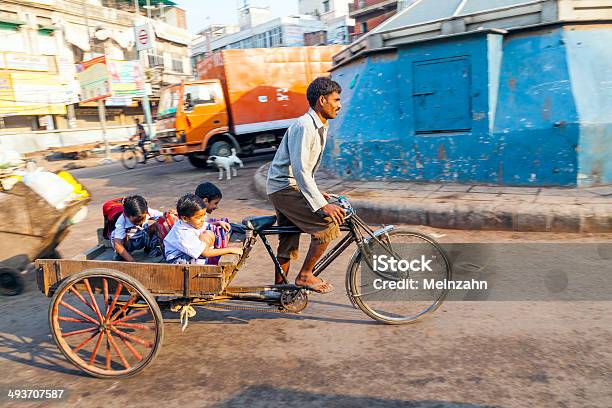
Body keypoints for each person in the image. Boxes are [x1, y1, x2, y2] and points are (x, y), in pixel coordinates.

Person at [266, 77, 346, 293]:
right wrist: (320, 205)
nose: (339, 105)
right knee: (328, 226)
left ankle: (279, 291)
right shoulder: (305, 126)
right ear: (322, 100)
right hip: (284, 187)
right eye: (336, 99)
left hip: (286, 187)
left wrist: (317, 193)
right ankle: (305, 275)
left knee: (289, 238)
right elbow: (300, 170)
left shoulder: (319, 125)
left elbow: (303, 171)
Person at [164, 194, 243, 264]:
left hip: (188, 254)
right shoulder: (182, 233)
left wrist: (217, 223)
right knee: (206, 236)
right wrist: (230, 250)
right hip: (179, 261)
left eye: (203, 215)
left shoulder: (188, 222)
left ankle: (206, 260)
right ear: (185, 218)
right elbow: (205, 253)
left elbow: (203, 225)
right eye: (198, 217)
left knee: (208, 233)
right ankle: (205, 264)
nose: (202, 219)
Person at [112, 195, 163, 262]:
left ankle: (151, 249)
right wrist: (132, 262)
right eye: (135, 221)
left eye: (142, 218)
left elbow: (163, 215)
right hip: (129, 243)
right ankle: (121, 254)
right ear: (127, 215)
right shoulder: (122, 220)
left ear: (146, 211)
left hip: (141, 238)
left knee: (156, 224)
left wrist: (170, 214)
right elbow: (117, 244)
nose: (140, 222)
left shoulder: (148, 211)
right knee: (117, 240)